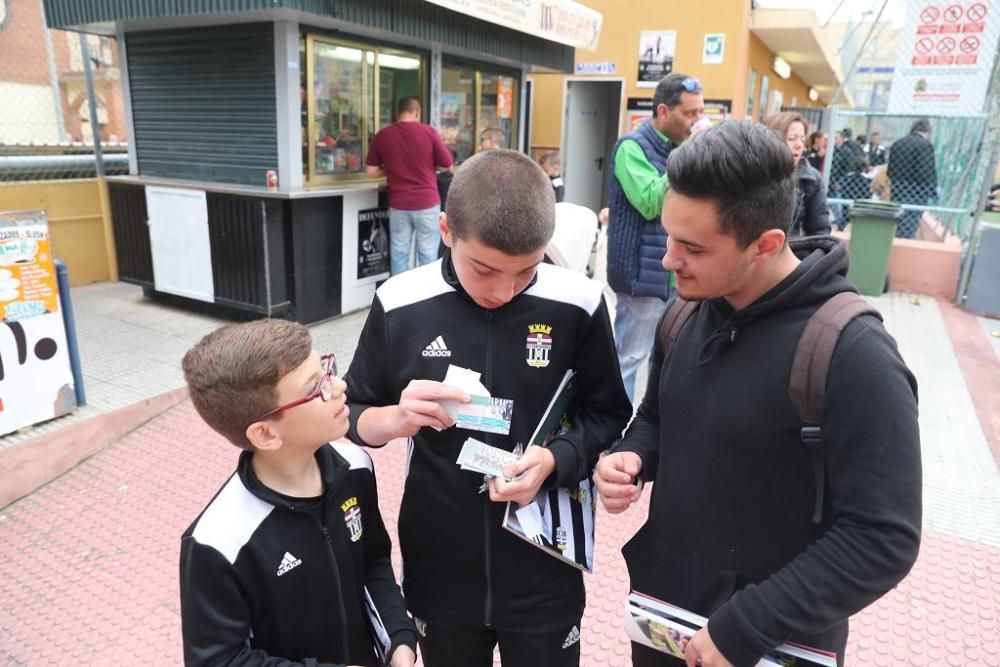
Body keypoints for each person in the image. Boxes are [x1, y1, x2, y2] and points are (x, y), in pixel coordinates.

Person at [593, 120, 921, 667]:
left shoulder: (853, 353)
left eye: (692, 247)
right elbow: (655, 417)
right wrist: (633, 456)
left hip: (769, 642)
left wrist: (748, 625)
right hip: (664, 622)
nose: (670, 260)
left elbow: (882, 537)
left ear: (765, 245)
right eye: (669, 236)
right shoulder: (684, 314)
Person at [344, 149, 632, 667]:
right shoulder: (399, 300)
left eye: (527, 271)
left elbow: (610, 415)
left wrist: (555, 460)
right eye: (485, 269)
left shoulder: (580, 302)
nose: (503, 290)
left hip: (546, 564)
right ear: (447, 229)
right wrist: (395, 418)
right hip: (440, 565)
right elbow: (355, 412)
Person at [179, 319, 417, 667]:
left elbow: (373, 563)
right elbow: (220, 660)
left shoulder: (355, 467)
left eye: (327, 369)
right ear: (265, 434)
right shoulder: (217, 542)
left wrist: (399, 639)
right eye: (315, 388)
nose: (339, 386)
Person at [606, 72, 704, 402]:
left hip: (674, 273)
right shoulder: (631, 147)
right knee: (629, 359)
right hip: (640, 277)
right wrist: (686, 155)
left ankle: (649, 434)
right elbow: (649, 202)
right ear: (663, 112)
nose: (696, 121)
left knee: (668, 358)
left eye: (700, 112)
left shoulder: (677, 148)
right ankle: (615, 433)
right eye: (690, 113)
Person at [367, 96, 454, 275]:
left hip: (399, 205)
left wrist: (391, 169)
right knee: (428, 254)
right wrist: (429, 165)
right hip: (427, 203)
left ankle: (400, 300)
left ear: (397, 113)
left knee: (399, 254)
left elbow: (371, 171)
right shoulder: (429, 132)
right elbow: (447, 164)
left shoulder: (383, 135)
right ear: (417, 112)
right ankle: (426, 298)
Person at [764, 111, 831, 237]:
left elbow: (820, 230)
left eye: (802, 139)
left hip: (792, 251)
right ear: (770, 140)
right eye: (792, 139)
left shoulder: (811, 179)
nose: (799, 145)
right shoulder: (751, 173)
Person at [887, 118, 937, 239]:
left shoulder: (898, 143)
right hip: (916, 192)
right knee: (910, 223)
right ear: (928, 130)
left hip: (898, 188)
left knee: (899, 221)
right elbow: (925, 170)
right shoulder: (925, 145)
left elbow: (890, 170)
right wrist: (932, 189)